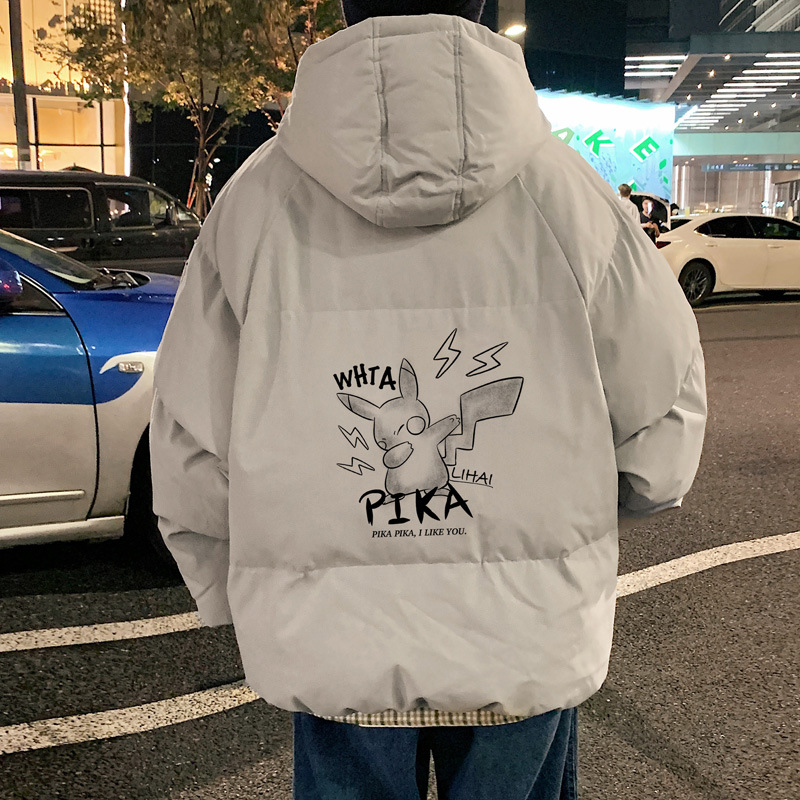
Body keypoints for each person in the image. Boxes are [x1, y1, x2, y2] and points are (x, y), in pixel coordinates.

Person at [149, 2, 708, 798]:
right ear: (480, 7)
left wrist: (226, 581)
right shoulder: (571, 195)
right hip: (525, 628)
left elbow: (189, 431)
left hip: (332, 631)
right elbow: (664, 409)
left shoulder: (257, 201)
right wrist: (593, 515)